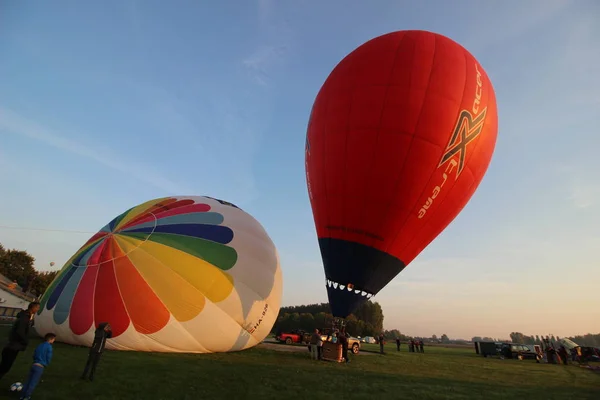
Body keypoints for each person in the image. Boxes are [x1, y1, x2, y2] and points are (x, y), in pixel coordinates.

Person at [0, 302, 40, 380]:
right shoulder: (24, 318)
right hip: (13, 346)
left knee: (5, 366)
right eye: (37, 308)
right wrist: (25, 340)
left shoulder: (27, 317)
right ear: (33, 308)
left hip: (14, 345)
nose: (38, 309)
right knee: (5, 367)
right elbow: (20, 332)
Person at [19, 333, 55, 400]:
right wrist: (47, 363)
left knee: (28, 381)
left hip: (34, 364)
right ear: (51, 339)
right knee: (33, 382)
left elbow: (35, 354)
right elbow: (48, 357)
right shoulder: (49, 347)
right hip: (40, 366)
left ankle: (22, 395)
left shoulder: (40, 345)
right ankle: (27, 396)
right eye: (53, 339)